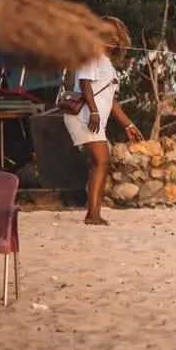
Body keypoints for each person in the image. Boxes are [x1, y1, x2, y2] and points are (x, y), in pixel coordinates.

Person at [64, 16, 144, 226]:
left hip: (91, 116)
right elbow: (85, 83)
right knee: (101, 161)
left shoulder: (106, 62)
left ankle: (93, 213)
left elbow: (111, 101)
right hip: (86, 116)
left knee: (99, 162)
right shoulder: (93, 55)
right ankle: (93, 215)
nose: (113, 39)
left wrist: (128, 125)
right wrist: (94, 112)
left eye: (116, 36)